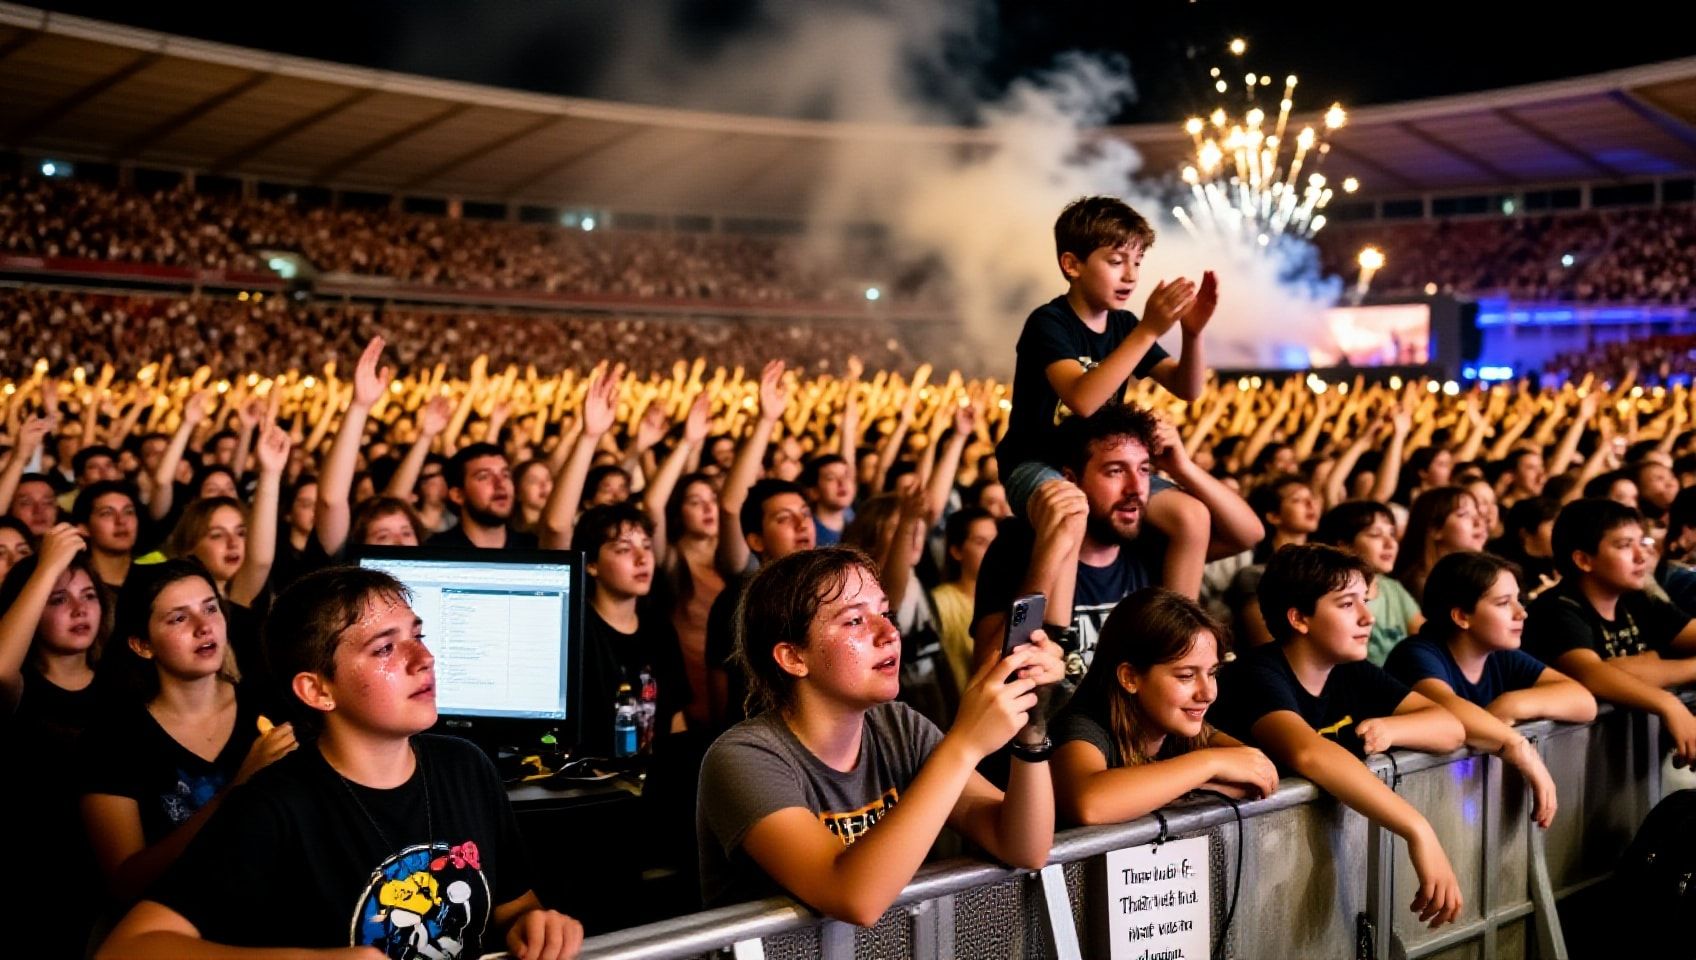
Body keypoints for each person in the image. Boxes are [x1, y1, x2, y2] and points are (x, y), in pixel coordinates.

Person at [96, 566, 585, 960]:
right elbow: (129, 946)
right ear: (317, 690)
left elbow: (513, 905)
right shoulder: (276, 804)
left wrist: (534, 926)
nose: (424, 658)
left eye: (418, 635)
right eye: (385, 648)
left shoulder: (466, 766)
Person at [696, 547, 1063, 922]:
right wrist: (965, 744)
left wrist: (1032, 730)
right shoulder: (743, 758)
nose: (889, 632)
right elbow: (852, 896)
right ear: (793, 657)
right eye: (855, 621)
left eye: (886, 613)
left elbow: (1023, 847)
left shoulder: (898, 727)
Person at [1211, 544, 1467, 928]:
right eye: (1348, 605)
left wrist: (1391, 727)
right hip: (1234, 883)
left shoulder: (1349, 671)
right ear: (1299, 618)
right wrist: (1419, 829)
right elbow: (1307, 752)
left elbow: (1451, 728)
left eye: (1366, 601)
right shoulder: (1258, 674)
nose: (1367, 618)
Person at [78, 561, 299, 902]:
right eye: (179, 618)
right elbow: (124, 883)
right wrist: (236, 790)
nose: (204, 626)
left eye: (210, 608)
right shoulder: (113, 738)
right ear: (142, 645)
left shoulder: (273, 706)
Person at [994, 196, 1214, 517]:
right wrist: (1148, 332)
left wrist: (1192, 334)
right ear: (1072, 265)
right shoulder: (1049, 322)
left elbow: (1187, 388)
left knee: (1191, 517)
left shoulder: (1125, 326)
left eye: (1137, 262)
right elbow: (1082, 400)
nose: (1131, 276)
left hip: (1100, 467)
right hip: (1037, 464)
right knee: (1070, 513)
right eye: (1116, 261)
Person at [1386, 552, 1596, 828]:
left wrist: (1511, 704)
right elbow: (1446, 707)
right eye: (1503, 603)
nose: (1521, 612)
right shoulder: (1417, 653)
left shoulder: (1498, 654)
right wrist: (1519, 747)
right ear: (1462, 616)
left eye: (1518, 600)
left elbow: (1583, 702)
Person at [1052, 588, 1277, 825]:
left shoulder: (1182, 727)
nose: (1208, 693)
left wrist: (1190, 781)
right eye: (1186, 676)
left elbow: (1258, 772)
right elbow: (1090, 805)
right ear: (1130, 678)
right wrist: (1210, 764)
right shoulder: (1081, 727)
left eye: (1212, 673)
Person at [0, 525, 113, 957]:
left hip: (102, 880)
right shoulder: (20, 688)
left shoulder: (123, 689)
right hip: (32, 881)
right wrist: (48, 564)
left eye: (88, 596)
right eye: (58, 599)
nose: (79, 609)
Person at [1522, 498, 1696, 763]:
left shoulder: (1637, 599)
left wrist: (1635, 669)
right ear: (1583, 559)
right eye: (1625, 545)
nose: (1642, 555)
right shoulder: (1556, 609)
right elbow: (1591, 674)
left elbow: (1610, 674)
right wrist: (1667, 701)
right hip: (1565, 764)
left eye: (1642, 542)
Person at [570, 503, 690, 758]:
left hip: (656, 779)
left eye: (646, 546)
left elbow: (675, 715)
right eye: (624, 549)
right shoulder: (577, 631)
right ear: (591, 565)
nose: (642, 558)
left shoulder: (660, 629)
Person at [1314, 501, 1425, 665]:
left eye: (1392, 534)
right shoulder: (1330, 595)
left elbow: (1426, 637)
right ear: (1344, 547)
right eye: (1375, 534)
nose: (1390, 543)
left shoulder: (1392, 588)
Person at [1393, 486, 1489, 601]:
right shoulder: (1419, 585)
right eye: (1464, 514)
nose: (1479, 522)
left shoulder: (1475, 576)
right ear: (1435, 529)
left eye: (1477, 514)